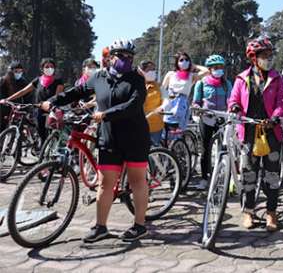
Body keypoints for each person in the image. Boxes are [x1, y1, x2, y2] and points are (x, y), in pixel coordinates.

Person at [41, 39, 151, 242]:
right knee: (105, 183)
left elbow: (134, 104)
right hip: (109, 138)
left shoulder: (136, 78)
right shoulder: (99, 77)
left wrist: (106, 114)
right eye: (121, 55)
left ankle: (140, 225)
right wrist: (52, 101)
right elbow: (76, 92)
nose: (125, 59)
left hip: (135, 137)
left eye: (129, 56)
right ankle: (101, 227)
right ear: (110, 57)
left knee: (137, 181)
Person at [227, 37, 283, 232]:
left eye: (270, 55)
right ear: (253, 57)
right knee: (248, 174)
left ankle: (271, 213)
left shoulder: (277, 78)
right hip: (248, 132)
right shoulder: (241, 78)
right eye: (264, 55)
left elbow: (281, 103)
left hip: (271, 132)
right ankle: (248, 212)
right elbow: (233, 99)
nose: (268, 59)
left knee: (272, 175)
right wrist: (235, 107)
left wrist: (276, 117)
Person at [193, 54, 233, 190]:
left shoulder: (227, 84)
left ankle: (221, 177)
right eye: (215, 68)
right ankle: (204, 178)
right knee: (205, 150)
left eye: (221, 67)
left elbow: (230, 101)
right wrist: (198, 108)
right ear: (209, 69)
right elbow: (196, 101)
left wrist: (230, 110)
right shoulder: (201, 83)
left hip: (221, 119)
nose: (219, 70)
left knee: (223, 149)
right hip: (206, 119)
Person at [1, 58, 65, 142]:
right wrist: (7, 99)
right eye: (46, 66)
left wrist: (49, 105)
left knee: (47, 134)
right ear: (42, 69)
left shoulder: (58, 81)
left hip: (51, 109)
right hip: (38, 109)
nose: (49, 68)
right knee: (38, 129)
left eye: (51, 66)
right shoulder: (38, 80)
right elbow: (23, 91)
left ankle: (46, 150)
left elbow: (57, 97)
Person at [160, 52, 208, 130]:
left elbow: (207, 71)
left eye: (186, 60)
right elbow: (162, 89)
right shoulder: (170, 74)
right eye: (181, 60)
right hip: (169, 103)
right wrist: (166, 101)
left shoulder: (192, 76)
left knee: (178, 130)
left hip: (182, 105)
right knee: (166, 130)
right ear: (177, 62)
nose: (184, 61)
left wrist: (194, 65)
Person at [138, 60, 165, 147]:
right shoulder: (137, 85)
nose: (153, 72)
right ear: (142, 71)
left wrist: (162, 107)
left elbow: (166, 99)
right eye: (150, 70)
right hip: (140, 126)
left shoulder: (158, 86)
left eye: (154, 70)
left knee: (154, 152)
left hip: (156, 127)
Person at [0, 62, 31, 129]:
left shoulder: (23, 82)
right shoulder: (3, 80)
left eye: (20, 71)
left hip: (17, 108)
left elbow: (27, 97)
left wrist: (26, 108)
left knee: (17, 129)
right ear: (10, 71)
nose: (18, 73)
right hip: (3, 108)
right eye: (16, 71)